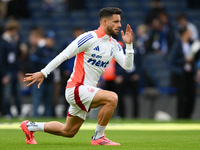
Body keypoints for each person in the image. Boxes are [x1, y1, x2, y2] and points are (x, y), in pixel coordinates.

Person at [20, 7, 134, 145]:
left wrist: (129, 46)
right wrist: (44, 72)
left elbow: (128, 66)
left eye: (120, 21)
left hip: (87, 91)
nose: (119, 25)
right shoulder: (89, 38)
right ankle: (98, 137)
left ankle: (30, 126)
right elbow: (64, 54)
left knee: (68, 131)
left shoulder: (114, 45)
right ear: (104, 21)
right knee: (112, 98)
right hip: (77, 88)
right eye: (115, 21)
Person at [169, 25, 196, 119]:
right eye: (188, 32)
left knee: (191, 95)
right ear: (184, 33)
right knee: (182, 96)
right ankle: (181, 116)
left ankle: (189, 115)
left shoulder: (192, 44)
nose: (190, 34)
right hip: (181, 74)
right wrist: (184, 60)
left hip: (190, 74)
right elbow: (172, 59)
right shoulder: (177, 45)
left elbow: (195, 58)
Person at [28, 28, 57, 117]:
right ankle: (35, 117)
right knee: (37, 100)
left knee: (48, 101)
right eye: (49, 39)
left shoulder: (54, 51)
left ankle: (47, 118)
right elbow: (33, 63)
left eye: (52, 40)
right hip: (39, 79)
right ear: (46, 39)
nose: (51, 41)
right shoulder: (39, 50)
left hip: (49, 80)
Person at [0, 20, 23, 118]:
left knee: (18, 93)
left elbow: (17, 56)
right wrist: (3, 74)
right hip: (7, 71)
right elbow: (1, 59)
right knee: (7, 94)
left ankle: (19, 112)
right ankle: (7, 112)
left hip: (14, 70)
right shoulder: (3, 42)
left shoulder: (13, 41)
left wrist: (17, 44)